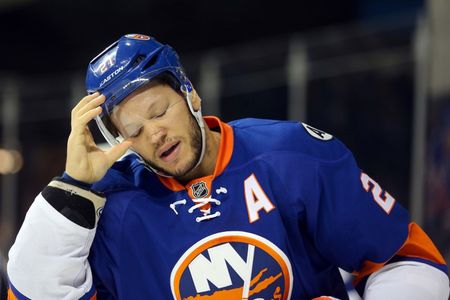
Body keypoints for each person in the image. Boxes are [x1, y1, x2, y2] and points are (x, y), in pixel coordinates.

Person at [6, 33, 450, 300]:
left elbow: (408, 261)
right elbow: (32, 294)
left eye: (159, 111)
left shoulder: (290, 155)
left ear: (190, 95)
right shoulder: (113, 204)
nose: (154, 135)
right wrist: (72, 185)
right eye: (134, 132)